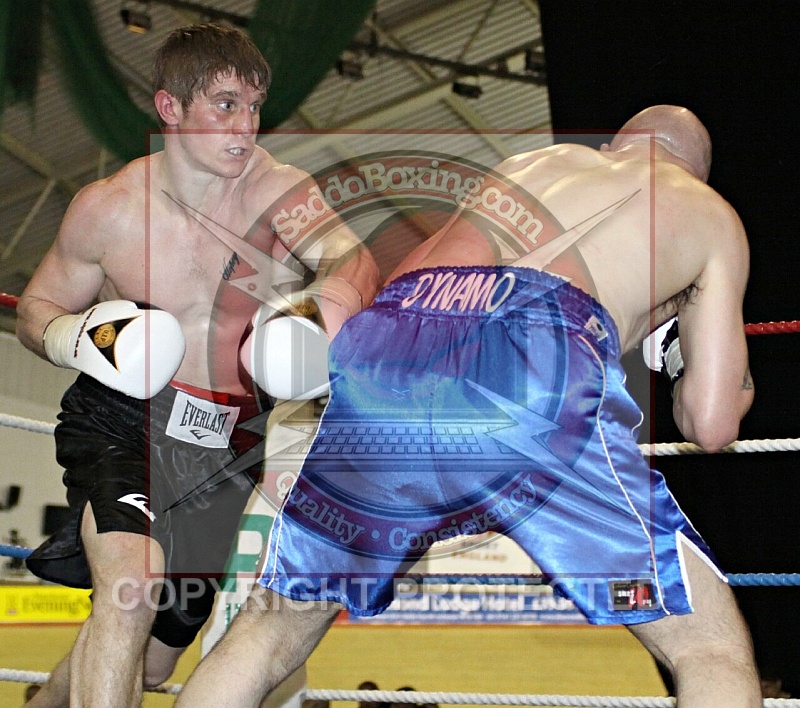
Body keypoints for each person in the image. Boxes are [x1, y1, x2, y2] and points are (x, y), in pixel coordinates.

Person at [174, 105, 760, 707]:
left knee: (269, 630)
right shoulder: (708, 213)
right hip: (535, 369)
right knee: (708, 650)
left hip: (393, 353)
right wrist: (679, 342)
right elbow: (711, 423)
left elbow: (410, 286)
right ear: (697, 173)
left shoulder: (534, 164)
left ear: (613, 146)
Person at [15, 23, 378, 708]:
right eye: (225, 105)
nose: (246, 127)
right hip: (124, 420)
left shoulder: (280, 192)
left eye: (254, 106)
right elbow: (37, 307)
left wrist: (320, 309)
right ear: (170, 108)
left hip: (229, 441)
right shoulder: (109, 209)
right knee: (131, 585)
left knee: (153, 661)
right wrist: (75, 338)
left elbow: (351, 256)